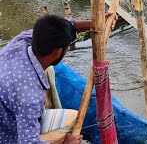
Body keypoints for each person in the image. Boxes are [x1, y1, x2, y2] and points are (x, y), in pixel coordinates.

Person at [0, 12, 117, 143]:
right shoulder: (29, 96)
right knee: (74, 118)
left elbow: (69, 25)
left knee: (48, 71)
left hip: (8, 113)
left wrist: (94, 23)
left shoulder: (21, 41)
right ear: (58, 52)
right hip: (9, 136)